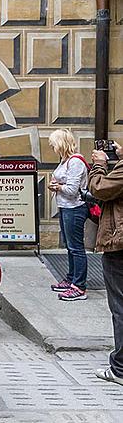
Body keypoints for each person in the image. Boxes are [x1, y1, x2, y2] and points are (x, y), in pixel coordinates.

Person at [89, 141, 123, 385]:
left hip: (119, 245)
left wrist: (99, 165)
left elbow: (99, 189)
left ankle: (120, 369)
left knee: (120, 306)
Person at [48, 128, 89, 301]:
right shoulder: (65, 161)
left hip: (75, 208)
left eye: (53, 144)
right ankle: (71, 278)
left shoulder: (75, 162)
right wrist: (56, 183)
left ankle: (79, 287)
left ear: (60, 143)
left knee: (76, 247)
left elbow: (72, 190)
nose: (51, 147)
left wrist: (56, 187)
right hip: (66, 207)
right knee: (69, 245)